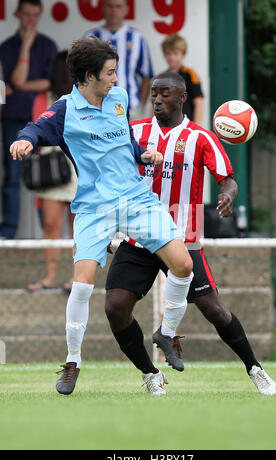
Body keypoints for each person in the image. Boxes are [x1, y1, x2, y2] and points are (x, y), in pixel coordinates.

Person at [10, 37, 194, 397]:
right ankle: (73, 361)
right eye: (110, 72)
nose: (116, 78)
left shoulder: (120, 99)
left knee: (184, 265)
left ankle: (166, 333)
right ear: (89, 75)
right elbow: (36, 127)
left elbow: (125, 142)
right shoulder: (65, 110)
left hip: (137, 198)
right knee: (82, 283)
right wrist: (25, 140)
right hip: (94, 207)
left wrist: (143, 156)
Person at [104, 72, 276, 396]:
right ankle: (150, 373)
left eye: (165, 94)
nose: (157, 99)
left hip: (182, 236)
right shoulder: (136, 132)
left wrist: (227, 194)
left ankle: (255, 368)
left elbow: (226, 179)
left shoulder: (201, 137)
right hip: (139, 236)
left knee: (214, 310)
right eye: (154, 94)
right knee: (115, 308)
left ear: (182, 97)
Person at [0, 0, 58, 239]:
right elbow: (9, 81)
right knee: (13, 176)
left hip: (41, 118)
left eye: (35, 15)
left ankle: (48, 233)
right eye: (27, 15)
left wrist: (19, 86)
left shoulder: (47, 45)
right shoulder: (7, 46)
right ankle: (8, 233)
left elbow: (49, 82)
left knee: (47, 176)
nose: (30, 20)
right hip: (13, 118)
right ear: (17, 14)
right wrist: (25, 46)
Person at [26, 50, 78, 292]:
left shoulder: (82, 97)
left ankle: (77, 278)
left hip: (78, 166)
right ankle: (50, 276)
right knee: (51, 225)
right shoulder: (43, 97)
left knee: (79, 226)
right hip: (52, 168)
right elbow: (39, 129)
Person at [83, 0, 153, 119]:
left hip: (131, 109)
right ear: (103, 8)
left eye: (118, 6)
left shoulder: (137, 37)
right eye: (109, 6)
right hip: (98, 109)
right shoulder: (90, 38)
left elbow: (146, 75)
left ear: (126, 9)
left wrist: (140, 105)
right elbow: (83, 74)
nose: (114, 10)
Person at [160, 34, 204, 125]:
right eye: (168, 53)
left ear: (183, 54)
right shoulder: (160, 77)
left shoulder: (190, 74)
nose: (172, 58)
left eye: (176, 53)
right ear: (164, 54)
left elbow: (199, 102)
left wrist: (197, 127)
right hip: (165, 127)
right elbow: (156, 103)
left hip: (186, 126)